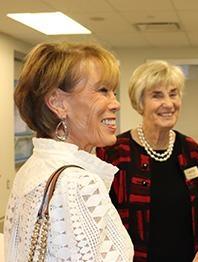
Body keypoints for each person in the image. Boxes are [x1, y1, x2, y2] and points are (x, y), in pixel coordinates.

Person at [4, 42, 133, 261]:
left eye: (113, 91)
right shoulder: (77, 183)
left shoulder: (32, 169)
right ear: (58, 103)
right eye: (103, 90)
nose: (116, 103)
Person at [96, 60, 198, 262]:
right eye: (157, 95)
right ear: (140, 102)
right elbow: (102, 220)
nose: (168, 104)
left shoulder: (191, 150)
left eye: (173, 94)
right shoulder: (115, 153)